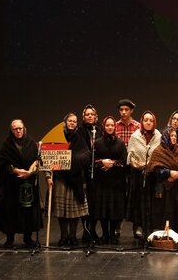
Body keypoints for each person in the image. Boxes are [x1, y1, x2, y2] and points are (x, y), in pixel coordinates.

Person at [0, 119, 43, 249]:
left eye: (20, 128)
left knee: (28, 210)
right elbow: (3, 163)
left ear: (24, 128)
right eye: (15, 129)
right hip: (12, 184)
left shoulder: (31, 143)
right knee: (11, 210)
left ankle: (28, 238)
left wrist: (29, 172)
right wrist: (16, 171)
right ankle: (9, 240)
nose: (18, 131)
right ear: (11, 131)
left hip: (28, 182)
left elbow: (37, 160)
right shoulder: (7, 145)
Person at [45, 113, 91, 248]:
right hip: (60, 179)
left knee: (74, 211)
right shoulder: (57, 139)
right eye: (70, 121)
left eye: (74, 121)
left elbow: (86, 156)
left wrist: (72, 160)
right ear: (65, 122)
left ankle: (73, 236)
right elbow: (48, 159)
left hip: (75, 179)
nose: (72, 123)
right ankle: (64, 236)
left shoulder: (80, 139)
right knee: (62, 211)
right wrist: (48, 176)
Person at [147, 127, 178, 245]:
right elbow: (154, 169)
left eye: (175, 136)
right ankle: (163, 238)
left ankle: (174, 238)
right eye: (171, 136)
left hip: (177, 187)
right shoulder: (158, 151)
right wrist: (168, 173)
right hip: (163, 188)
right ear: (166, 137)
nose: (174, 138)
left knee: (176, 213)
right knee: (165, 213)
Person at [93, 115, 127, 245]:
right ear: (104, 126)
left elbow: (124, 161)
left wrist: (112, 163)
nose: (110, 127)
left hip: (116, 182)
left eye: (112, 125)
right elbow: (92, 161)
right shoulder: (97, 143)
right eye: (107, 125)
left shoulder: (120, 143)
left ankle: (112, 234)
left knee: (114, 210)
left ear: (115, 126)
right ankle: (105, 234)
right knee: (103, 210)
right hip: (101, 182)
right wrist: (102, 162)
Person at [126, 110, 160, 240]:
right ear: (142, 121)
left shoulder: (158, 135)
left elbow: (160, 154)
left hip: (153, 175)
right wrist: (139, 165)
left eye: (151, 120)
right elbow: (130, 156)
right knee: (139, 203)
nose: (148, 122)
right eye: (146, 120)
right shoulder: (135, 136)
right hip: (138, 176)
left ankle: (150, 232)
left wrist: (150, 165)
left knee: (151, 205)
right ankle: (139, 229)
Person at [114, 98, 140, 240]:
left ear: (131, 111)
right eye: (121, 110)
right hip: (118, 167)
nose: (123, 112)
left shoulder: (138, 126)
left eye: (126, 110)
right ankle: (117, 226)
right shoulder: (114, 126)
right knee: (119, 197)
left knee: (134, 197)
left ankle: (137, 227)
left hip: (133, 167)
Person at [78, 104, 101, 244]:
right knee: (85, 203)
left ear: (96, 116)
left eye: (92, 114)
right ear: (84, 117)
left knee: (95, 203)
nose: (90, 116)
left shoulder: (100, 130)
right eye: (87, 114)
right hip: (84, 172)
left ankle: (93, 230)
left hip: (98, 172)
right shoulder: (79, 131)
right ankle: (86, 231)